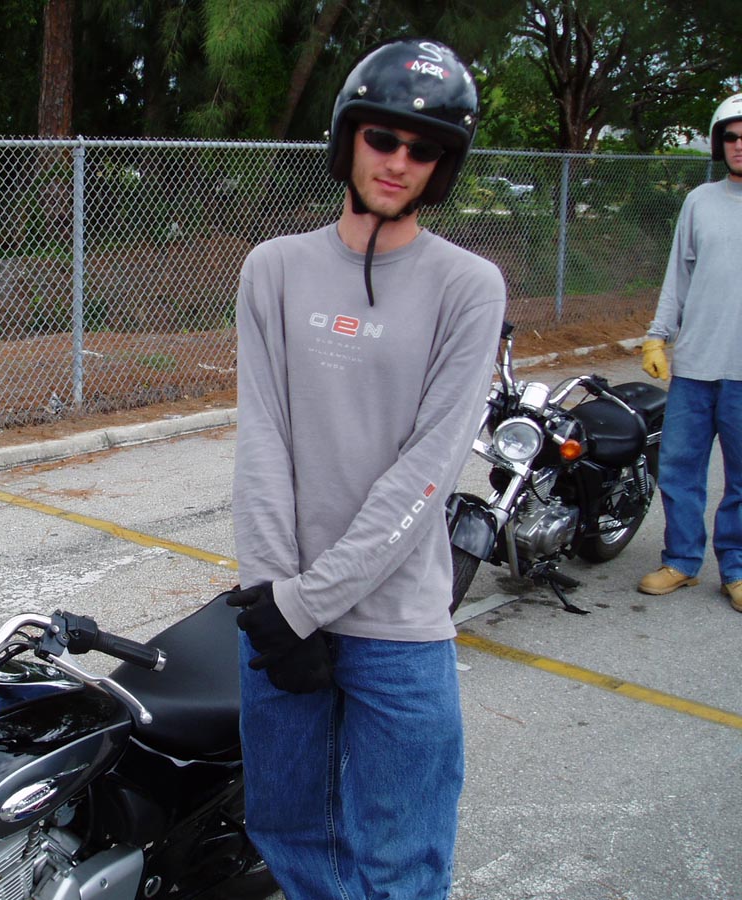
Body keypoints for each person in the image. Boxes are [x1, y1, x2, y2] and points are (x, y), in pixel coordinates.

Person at [227, 38, 506, 900]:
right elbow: (264, 442)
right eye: (383, 138)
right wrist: (276, 600)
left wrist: (310, 603)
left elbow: (427, 471)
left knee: (402, 861)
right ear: (348, 138)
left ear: (443, 167)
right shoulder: (274, 269)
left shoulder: (469, 286)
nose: (398, 161)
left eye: (424, 149)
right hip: (280, 610)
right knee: (288, 834)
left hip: (397, 628)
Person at [637, 92, 742, 611]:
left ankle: (737, 567)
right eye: (732, 136)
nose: (740, 145)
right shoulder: (700, 201)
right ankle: (681, 560)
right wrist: (657, 335)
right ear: (720, 143)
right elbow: (677, 276)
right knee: (679, 469)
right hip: (696, 368)